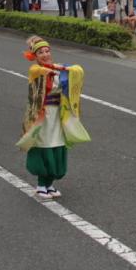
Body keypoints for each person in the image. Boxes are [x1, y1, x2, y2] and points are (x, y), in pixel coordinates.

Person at [16, 36, 88, 199]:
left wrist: (63, 69)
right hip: (42, 115)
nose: (45, 54)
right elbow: (44, 71)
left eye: (47, 51)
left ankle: (50, 184)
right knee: (44, 143)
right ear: (34, 56)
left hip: (58, 114)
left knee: (57, 143)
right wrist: (58, 68)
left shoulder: (61, 70)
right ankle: (41, 184)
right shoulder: (35, 70)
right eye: (40, 52)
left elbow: (78, 70)